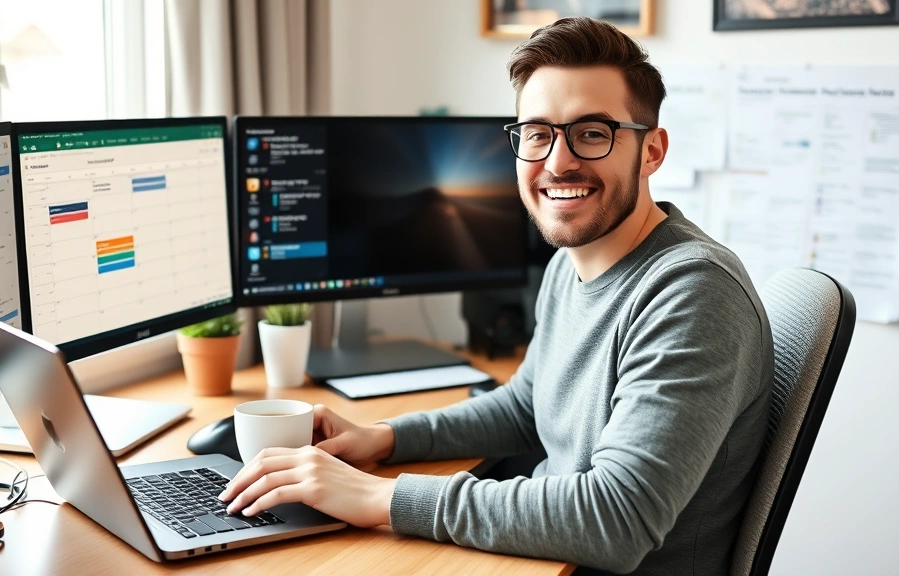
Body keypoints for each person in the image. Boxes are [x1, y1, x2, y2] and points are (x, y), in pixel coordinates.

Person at [219, 17, 772, 575]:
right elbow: (526, 407)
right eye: (537, 133)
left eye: (592, 131)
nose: (558, 162)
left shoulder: (692, 292)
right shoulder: (570, 264)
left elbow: (617, 517)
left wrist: (376, 497)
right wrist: (380, 439)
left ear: (652, 151)